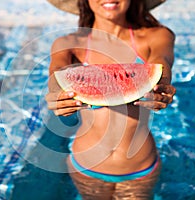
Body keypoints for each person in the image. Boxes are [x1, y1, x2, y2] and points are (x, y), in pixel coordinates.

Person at [45, 0, 176, 199]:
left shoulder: (157, 35)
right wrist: (56, 95)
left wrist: (161, 85)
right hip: (87, 168)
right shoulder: (67, 44)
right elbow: (57, 75)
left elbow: (161, 63)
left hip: (138, 170)